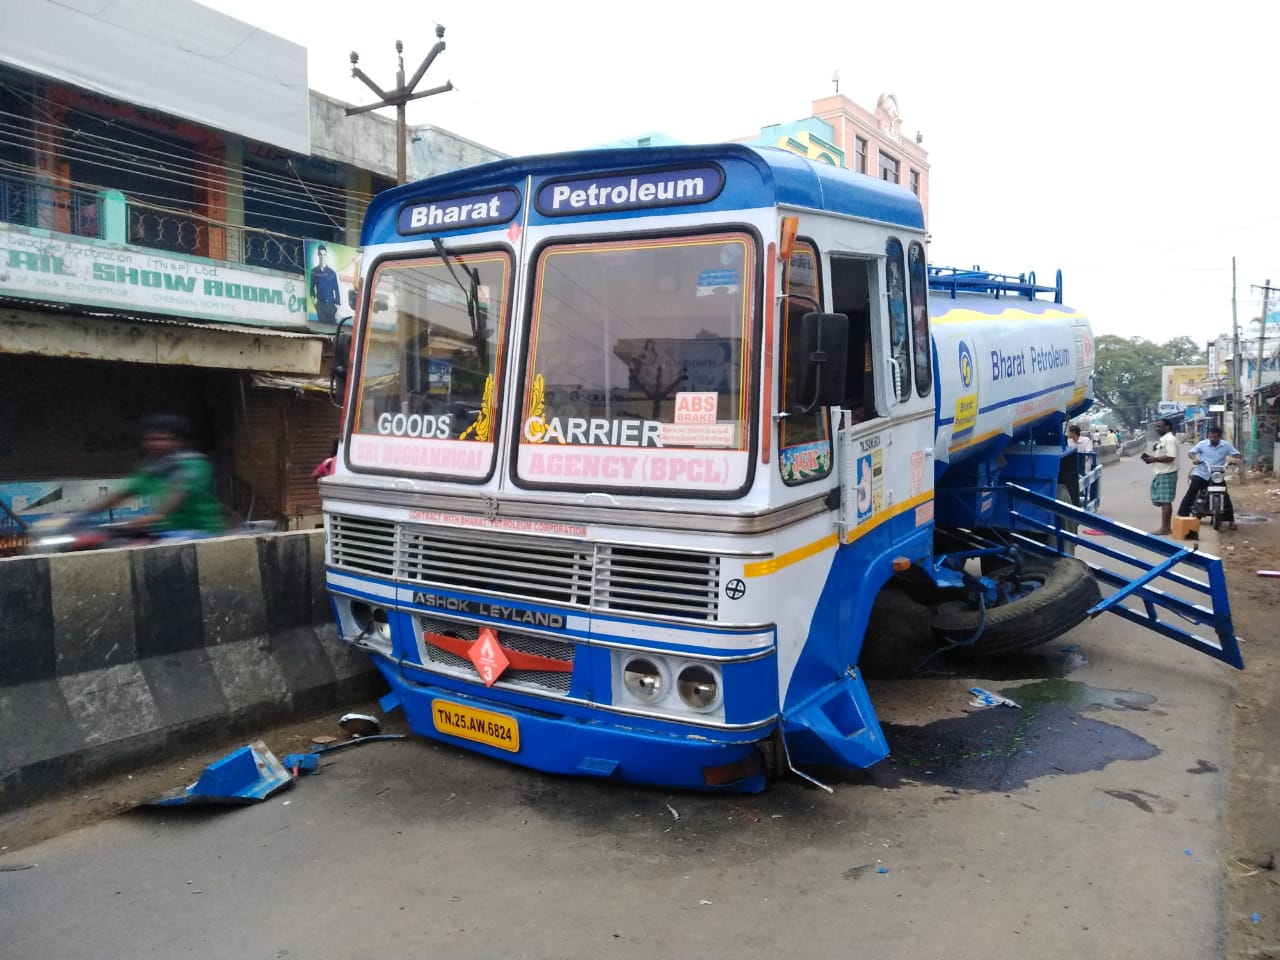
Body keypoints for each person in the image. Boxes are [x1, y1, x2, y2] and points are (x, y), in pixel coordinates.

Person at [79, 415, 225, 540]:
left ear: (176, 441)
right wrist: (82, 516)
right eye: (149, 439)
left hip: (199, 535)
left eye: (160, 439)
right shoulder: (151, 469)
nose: (152, 443)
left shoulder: (192, 465)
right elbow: (121, 494)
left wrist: (129, 526)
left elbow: (172, 503)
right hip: (166, 532)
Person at [1177, 425, 1241, 530]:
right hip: (1201, 474)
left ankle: (1231, 521)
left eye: (1215, 437)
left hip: (1216, 475)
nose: (1212, 439)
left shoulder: (1226, 445)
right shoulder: (1202, 444)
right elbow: (1191, 453)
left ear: (1220, 437)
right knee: (1191, 492)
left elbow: (1237, 454)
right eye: (1210, 437)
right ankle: (1182, 516)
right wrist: (1195, 459)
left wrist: (1235, 460)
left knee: (1225, 496)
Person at [1140, 418, 1180, 535]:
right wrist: (1152, 458)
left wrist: (1154, 459)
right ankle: (1165, 527)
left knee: (1165, 501)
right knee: (1162, 500)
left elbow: (1170, 457)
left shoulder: (1170, 440)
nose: (1157, 429)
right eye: (1156, 427)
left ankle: (1165, 528)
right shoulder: (1163, 440)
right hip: (1161, 472)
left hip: (1167, 472)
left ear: (1167, 427)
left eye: (1159, 427)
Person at [310, 244, 341, 325]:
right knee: (322, 330)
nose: (322, 257)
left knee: (333, 330)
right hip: (321, 305)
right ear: (318, 255)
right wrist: (314, 303)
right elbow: (311, 288)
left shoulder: (332, 272)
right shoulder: (314, 271)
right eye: (320, 254)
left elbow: (336, 289)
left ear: (326, 255)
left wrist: (337, 306)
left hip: (331, 306)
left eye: (324, 255)